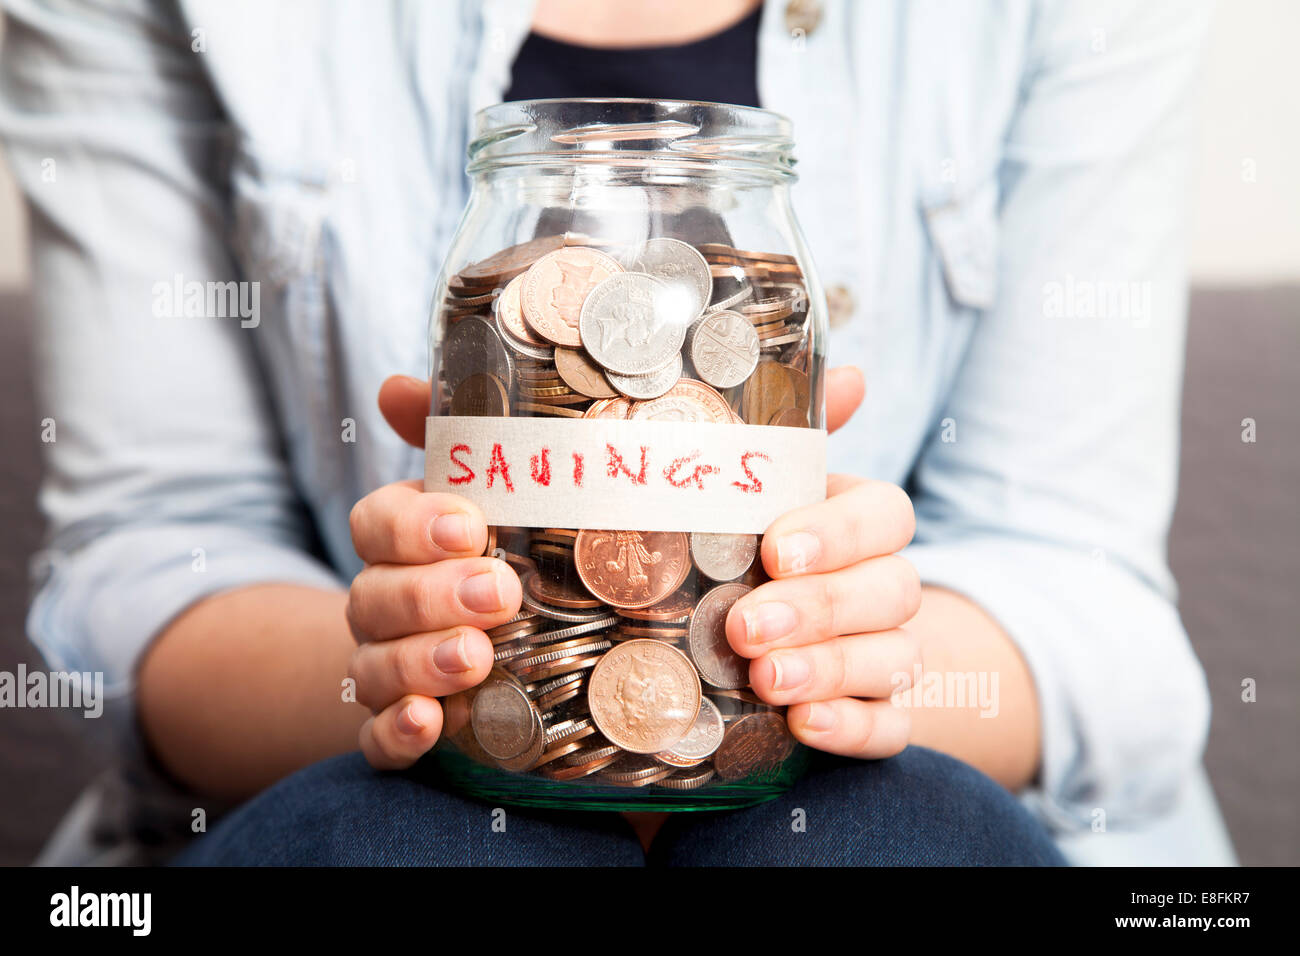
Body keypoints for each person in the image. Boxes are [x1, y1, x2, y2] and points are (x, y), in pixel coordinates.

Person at [0, 0, 1234, 865]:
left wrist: (826, 659)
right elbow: (145, 563)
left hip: (906, 785)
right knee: (421, 840)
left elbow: (1091, 605)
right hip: (340, 778)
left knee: (878, 834)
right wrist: (404, 669)